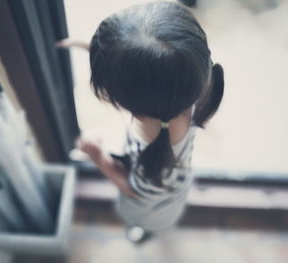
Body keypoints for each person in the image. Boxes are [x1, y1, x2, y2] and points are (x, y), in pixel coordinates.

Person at [76, 1, 224, 242]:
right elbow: (156, 72)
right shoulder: (188, 98)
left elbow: (133, 190)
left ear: (128, 106)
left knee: (145, 225)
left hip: (153, 211)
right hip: (174, 193)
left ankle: (144, 233)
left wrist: (98, 158)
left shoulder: (153, 164)